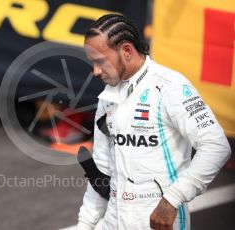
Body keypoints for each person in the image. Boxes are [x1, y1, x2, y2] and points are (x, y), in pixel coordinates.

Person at [77, 14, 231, 230]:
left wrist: (172, 200)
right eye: (92, 62)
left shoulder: (171, 87)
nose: (95, 71)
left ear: (127, 51)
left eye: (101, 61)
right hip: (114, 221)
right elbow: (102, 169)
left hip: (160, 222)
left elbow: (216, 146)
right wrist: (85, 224)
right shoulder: (108, 96)